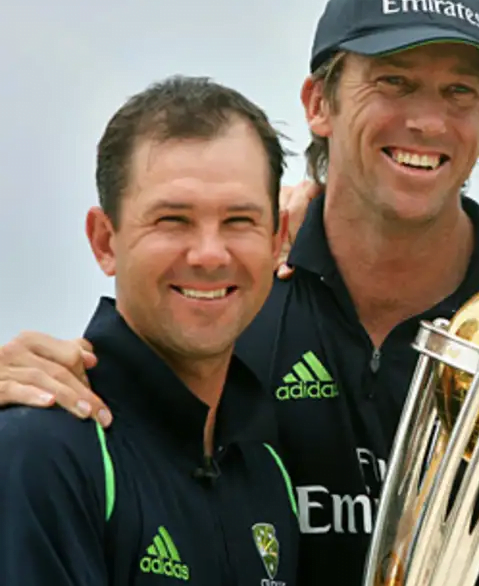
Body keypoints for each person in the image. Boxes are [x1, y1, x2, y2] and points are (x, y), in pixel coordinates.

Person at [0, 0, 479, 585]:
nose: (429, 121)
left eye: (460, 92)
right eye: (394, 82)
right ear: (317, 103)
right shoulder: (231, 303)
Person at [0, 75, 300, 584]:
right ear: (105, 241)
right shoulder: (42, 449)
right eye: (173, 220)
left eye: (239, 221)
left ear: (278, 241)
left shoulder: (267, 470)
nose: (209, 254)